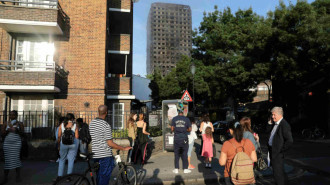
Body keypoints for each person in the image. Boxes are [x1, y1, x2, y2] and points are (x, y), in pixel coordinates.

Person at [89, 105, 131, 185]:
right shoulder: (106, 125)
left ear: (98, 112)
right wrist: (123, 148)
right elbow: (110, 143)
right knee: (105, 177)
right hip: (104, 155)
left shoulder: (92, 123)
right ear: (106, 112)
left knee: (99, 176)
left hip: (95, 154)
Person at [266, 107, 293, 185]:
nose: (272, 116)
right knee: (277, 173)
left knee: (278, 174)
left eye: (274, 115)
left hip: (277, 154)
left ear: (279, 114)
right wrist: (269, 123)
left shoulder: (284, 125)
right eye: (272, 115)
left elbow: (290, 141)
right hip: (273, 152)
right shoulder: (276, 123)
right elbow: (267, 131)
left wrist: (280, 150)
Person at [1, 110, 24, 184]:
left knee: (16, 159)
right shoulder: (6, 123)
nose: (11, 116)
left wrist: (17, 130)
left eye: (13, 115)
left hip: (16, 143)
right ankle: (5, 178)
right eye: (10, 115)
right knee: (7, 160)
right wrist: (8, 130)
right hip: (7, 144)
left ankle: (18, 176)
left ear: (16, 116)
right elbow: (2, 134)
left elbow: (23, 134)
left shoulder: (20, 123)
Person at [171, 103, 192, 174]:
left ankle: (176, 169)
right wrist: (184, 130)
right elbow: (190, 129)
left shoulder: (174, 119)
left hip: (176, 138)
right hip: (184, 139)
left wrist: (177, 129)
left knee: (176, 154)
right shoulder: (186, 119)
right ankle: (185, 169)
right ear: (183, 111)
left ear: (177, 110)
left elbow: (172, 129)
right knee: (184, 153)